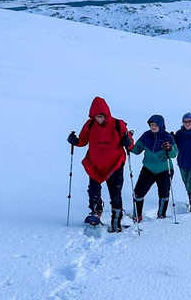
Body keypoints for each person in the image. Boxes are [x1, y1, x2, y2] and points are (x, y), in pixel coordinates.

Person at [67, 97, 134, 232]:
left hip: (114, 164)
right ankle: (95, 211)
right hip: (95, 164)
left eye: (102, 116)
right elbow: (83, 141)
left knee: (115, 192)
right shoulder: (90, 125)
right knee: (93, 191)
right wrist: (74, 141)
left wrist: (128, 141)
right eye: (97, 116)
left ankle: (116, 218)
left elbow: (130, 143)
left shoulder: (118, 124)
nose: (99, 119)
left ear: (106, 114)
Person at [130, 114, 178, 222]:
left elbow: (174, 154)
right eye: (151, 125)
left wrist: (169, 148)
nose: (153, 127)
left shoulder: (168, 137)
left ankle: (161, 215)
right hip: (148, 169)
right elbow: (137, 149)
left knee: (164, 193)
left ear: (161, 125)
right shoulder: (146, 136)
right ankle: (137, 216)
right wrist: (129, 144)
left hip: (164, 170)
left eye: (156, 125)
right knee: (138, 192)